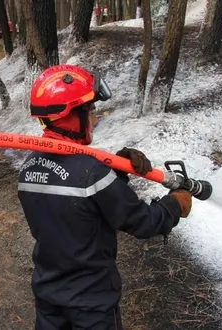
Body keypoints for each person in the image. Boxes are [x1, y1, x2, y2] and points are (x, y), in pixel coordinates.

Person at [17, 64, 193, 330]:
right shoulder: (92, 174)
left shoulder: (29, 167)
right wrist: (173, 204)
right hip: (91, 300)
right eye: (90, 111)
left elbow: (75, 205)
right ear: (70, 115)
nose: (95, 119)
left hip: (48, 293)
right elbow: (142, 222)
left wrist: (117, 171)